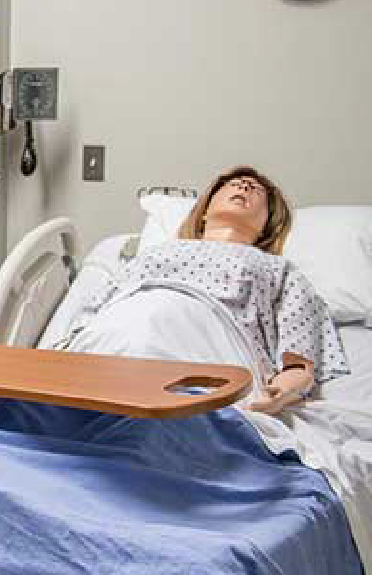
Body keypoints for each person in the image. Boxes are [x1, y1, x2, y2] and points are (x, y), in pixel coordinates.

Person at [56, 165, 348, 413]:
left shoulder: (277, 269)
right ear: (205, 211)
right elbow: (92, 313)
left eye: (256, 191)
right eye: (234, 184)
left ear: (267, 224)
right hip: (117, 334)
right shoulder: (155, 253)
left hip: (213, 341)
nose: (245, 186)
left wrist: (283, 390)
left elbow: (299, 362)